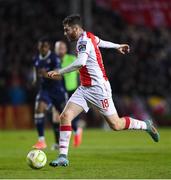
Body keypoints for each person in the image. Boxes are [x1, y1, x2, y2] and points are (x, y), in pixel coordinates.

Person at [47, 14, 160, 167]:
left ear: (76, 28)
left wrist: (59, 72)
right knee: (65, 116)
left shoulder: (83, 41)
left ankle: (146, 125)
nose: (65, 33)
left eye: (67, 30)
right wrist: (117, 46)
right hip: (85, 88)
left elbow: (80, 63)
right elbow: (101, 42)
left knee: (116, 125)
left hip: (99, 89)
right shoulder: (89, 36)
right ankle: (63, 157)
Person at [32, 37, 67, 150]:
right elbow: (35, 71)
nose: (43, 48)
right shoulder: (36, 58)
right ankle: (41, 140)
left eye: (45, 46)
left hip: (57, 91)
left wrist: (46, 74)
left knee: (62, 117)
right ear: (38, 47)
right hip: (45, 90)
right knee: (39, 107)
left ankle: (61, 141)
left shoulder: (54, 58)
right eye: (41, 46)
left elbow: (59, 76)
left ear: (48, 47)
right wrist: (34, 80)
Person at [55, 41, 82, 147]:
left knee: (67, 114)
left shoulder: (72, 59)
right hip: (59, 91)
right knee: (60, 115)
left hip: (72, 90)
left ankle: (75, 131)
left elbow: (81, 72)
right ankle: (75, 131)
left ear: (65, 49)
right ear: (55, 49)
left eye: (62, 47)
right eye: (58, 48)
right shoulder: (54, 61)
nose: (60, 50)